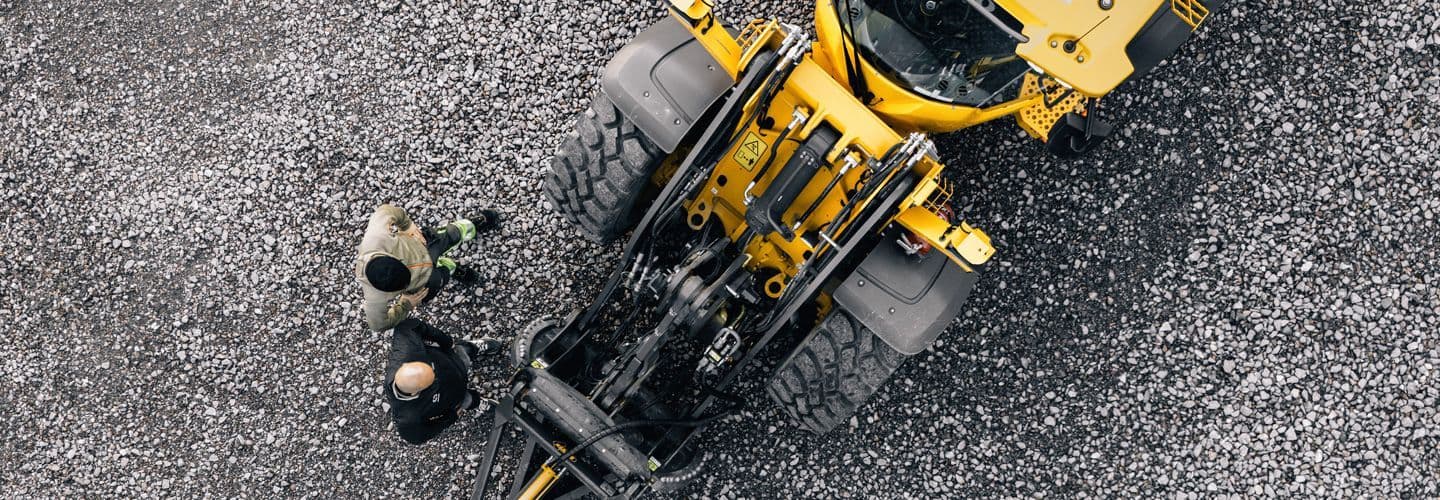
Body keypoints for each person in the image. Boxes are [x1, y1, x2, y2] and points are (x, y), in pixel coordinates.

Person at [354, 204, 498, 331]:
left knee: (453, 232)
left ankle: (472, 225)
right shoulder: (374, 298)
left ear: (390, 256)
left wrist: (407, 225)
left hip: (423, 242)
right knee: (444, 273)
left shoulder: (375, 238)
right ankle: (453, 268)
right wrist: (405, 305)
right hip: (425, 283)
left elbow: (385, 211)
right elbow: (378, 325)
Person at [385, 318, 501, 444]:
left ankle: (473, 348)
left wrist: (445, 341)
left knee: (463, 353)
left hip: (452, 361)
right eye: (430, 380)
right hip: (453, 398)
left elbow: (409, 325)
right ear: (416, 392)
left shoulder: (407, 349)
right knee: (469, 401)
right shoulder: (408, 417)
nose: (435, 376)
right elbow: (416, 437)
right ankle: (478, 402)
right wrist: (451, 417)